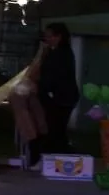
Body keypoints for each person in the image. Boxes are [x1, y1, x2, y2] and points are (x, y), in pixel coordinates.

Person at [31, 23, 78, 168]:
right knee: (55, 128)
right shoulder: (54, 53)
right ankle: (57, 156)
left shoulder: (62, 54)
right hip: (57, 96)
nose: (47, 39)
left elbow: (55, 76)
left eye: (50, 36)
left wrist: (47, 88)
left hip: (61, 97)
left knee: (55, 128)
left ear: (58, 37)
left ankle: (55, 158)